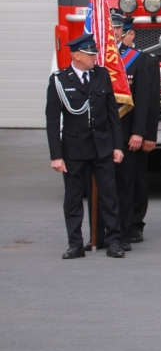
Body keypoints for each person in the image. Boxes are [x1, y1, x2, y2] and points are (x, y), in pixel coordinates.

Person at [45, 33, 126, 259]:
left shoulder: (102, 75)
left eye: (95, 54)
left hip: (102, 146)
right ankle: (75, 244)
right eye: (90, 54)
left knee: (109, 196)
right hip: (74, 148)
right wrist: (56, 156)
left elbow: (112, 114)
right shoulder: (60, 80)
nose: (94, 58)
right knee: (73, 198)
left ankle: (113, 242)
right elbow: (53, 121)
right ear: (77, 56)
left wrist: (117, 146)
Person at [115, 12, 160, 247]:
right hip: (113, 131)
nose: (116, 34)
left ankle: (135, 223)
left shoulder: (144, 60)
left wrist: (147, 134)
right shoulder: (102, 59)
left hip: (134, 129)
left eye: (120, 30)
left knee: (135, 181)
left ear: (130, 33)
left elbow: (150, 101)